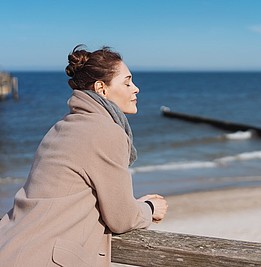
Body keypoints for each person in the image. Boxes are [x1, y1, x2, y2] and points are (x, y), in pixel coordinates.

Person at [0, 45, 168, 266]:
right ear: (101, 88)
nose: (135, 89)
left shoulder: (62, 127)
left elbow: (72, 195)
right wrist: (149, 208)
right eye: (127, 82)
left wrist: (130, 204)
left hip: (11, 246)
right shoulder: (106, 132)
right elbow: (121, 219)